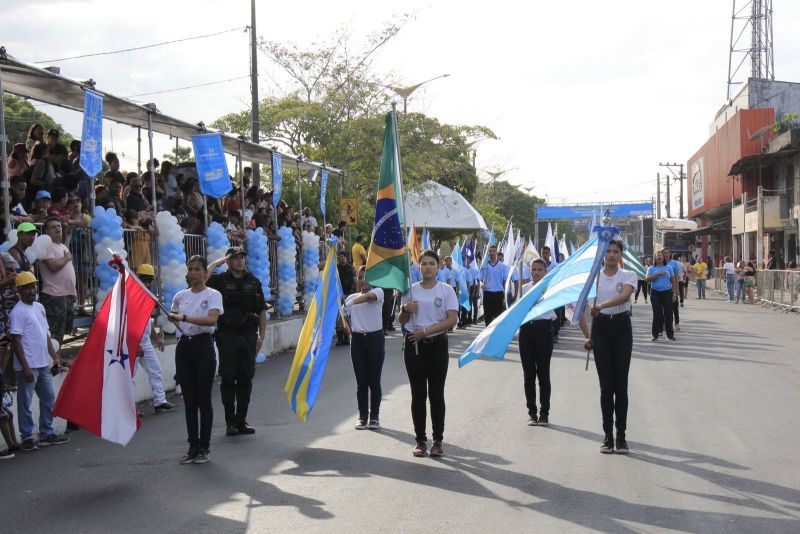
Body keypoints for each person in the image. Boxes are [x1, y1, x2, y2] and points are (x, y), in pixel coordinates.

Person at [398, 250, 459, 458]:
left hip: (437, 345)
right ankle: (420, 440)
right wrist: (405, 309)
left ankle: (437, 440)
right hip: (414, 345)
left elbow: (452, 319)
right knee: (418, 394)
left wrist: (426, 331)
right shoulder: (411, 290)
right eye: (423, 264)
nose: (427, 267)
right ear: (419, 266)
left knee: (436, 394)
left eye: (431, 263)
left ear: (438, 266)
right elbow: (402, 321)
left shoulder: (446, 290)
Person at [579, 239, 636, 454]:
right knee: (606, 388)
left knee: (621, 386)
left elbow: (625, 296)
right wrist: (587, 336)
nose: (612, 255)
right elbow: (581, 307)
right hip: (600, 330)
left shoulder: (627, 276)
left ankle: (621, 437)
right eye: (608, 251)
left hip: (621, 328)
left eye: (616, 251)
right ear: (602, 255)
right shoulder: (593, 278)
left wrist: (601, 306)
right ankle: (607, 437)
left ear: (621, 254)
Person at [206, 247, 267, 437]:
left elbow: (262, 311)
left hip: (248, 335)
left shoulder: (253, 282)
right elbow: (200, 280)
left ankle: (241, 420)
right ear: (228, 261)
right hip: (228, 335)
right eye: (235, 258)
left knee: (246, 378)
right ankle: (230, 422)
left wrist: (261, 336)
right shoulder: (219, 281)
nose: (240, 261)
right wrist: (216, 263)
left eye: (242, 257)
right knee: (228, 378)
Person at [169, 255, 223, 464]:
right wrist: (175, 318)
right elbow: (175, 318)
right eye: (190, 269)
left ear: (204, 272)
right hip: (185, 347)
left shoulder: (213, 295)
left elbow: (211, 319)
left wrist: (183, 318)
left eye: (197, 269)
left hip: (204, 345)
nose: (192, 273)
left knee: (204, 399)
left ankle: (204, 447)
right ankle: (192, 445)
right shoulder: (180, 296)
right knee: (189, 400)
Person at [9, 271, 70, 451]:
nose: (31, 290)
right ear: (19, 291)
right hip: (28, 366)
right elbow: (16, 341)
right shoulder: (17, 312)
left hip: (43, 363)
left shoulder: (39, 307)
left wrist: (55, 357)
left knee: (49, 398)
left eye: (33, 286)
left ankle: (46, 432)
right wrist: (25, 367)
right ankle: (27, 437)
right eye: (26, 288)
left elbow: (45, 335)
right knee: (25, 403)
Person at [343, 267, 385, 430]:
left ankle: (374, 416)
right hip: (358, 341)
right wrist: (345, 326)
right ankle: (362, 416)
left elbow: (367, 297)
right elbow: (344, 317)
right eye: (359, 277)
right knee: (361, 382)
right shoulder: (351, 297)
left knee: (374, 381)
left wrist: (350, 302)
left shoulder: (378, 292)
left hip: (375, 339)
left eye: (364, 277)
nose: (361, 280)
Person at [519, 259, 556, 426]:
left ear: (545, 271)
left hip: (544, 330)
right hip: (526, 331)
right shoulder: (524, 289)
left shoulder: (551, 288)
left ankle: (544, 412)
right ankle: (532, 413)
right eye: (533, 269)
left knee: (543, 373)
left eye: (540, 269)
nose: (536, 272)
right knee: (528, 375)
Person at [133, 264, 175, 413]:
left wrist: (157, 337)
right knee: (129, 377)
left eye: (149, 280)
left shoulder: (147, 296)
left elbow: (146, 320)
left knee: (156, 370)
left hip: (145, 341)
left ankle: (160, 401)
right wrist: (136, 344)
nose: (148, 284)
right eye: (144, 280)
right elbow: (130, 322)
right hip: (132, 342)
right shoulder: (132, 296)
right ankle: (130, 408)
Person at [38, 217, 77, 351]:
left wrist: (74, 291)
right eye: (53, 227)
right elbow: (52, 266)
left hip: (67, 295)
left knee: (62, 332)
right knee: (53, 331)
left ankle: (57, 360)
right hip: (53, 295)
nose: (58, 228)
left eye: (59, 226)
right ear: (46, 231)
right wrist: (66, 258)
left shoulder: (63, 246)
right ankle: (53, 362)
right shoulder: (46, 246)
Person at [646, 251, 675, 342]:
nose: (659, 257)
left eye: (660, 256)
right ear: (654, 258)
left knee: (668, 314)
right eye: (657, 256)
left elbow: (673, 281)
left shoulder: (669, 268)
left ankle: (670, 335)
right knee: (657, 314)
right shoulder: (651, 268)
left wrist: (674, 293)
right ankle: (655, 335)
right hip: (655, 292)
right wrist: (658, 274)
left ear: (663, 257)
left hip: (667, 292)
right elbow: (647, 279)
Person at [479, 245, 510, 326]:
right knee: (488, 315)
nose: (492, 252)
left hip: (499, 293)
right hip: (488, 293)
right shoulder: (484, 265)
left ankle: (497, 333)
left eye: (493, 251)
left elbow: (505, 280)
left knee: (498, 316)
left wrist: (504, 294)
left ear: (496, 252)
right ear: (488, 253)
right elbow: (480, 279)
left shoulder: (502, 266)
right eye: (490, 251)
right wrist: (481, 284)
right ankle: (487, 334)